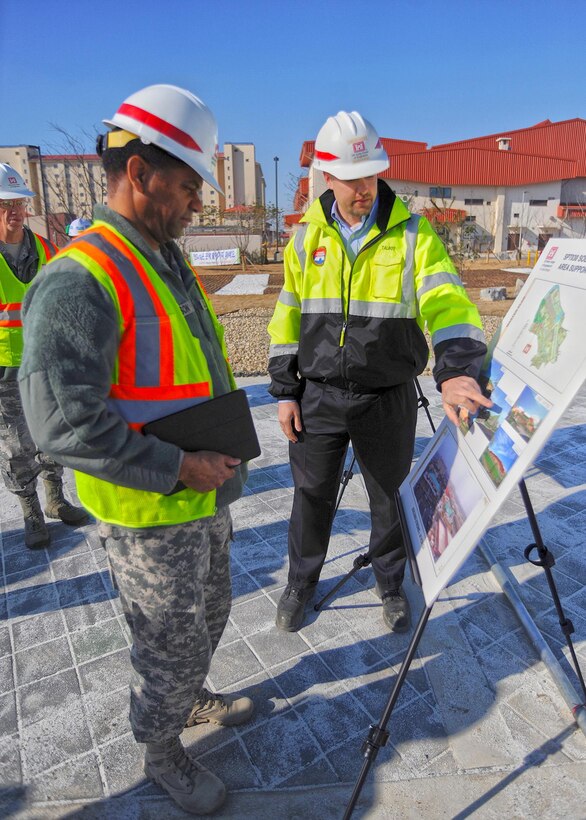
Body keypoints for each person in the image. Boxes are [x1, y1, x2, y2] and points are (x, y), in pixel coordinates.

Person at [20, 84, 254, 816]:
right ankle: (161, 751)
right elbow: (61, 426)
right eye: (187, 186)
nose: (196, 203)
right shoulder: (77, 278)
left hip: (199, 492)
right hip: (150, 508)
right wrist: (179, 465)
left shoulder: (161, 254)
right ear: (140, 174)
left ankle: (184, 699)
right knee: (168, 644)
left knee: (209, 616)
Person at [268, 111, 491, 634]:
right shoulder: (305, 238)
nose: (363, 188)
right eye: (351, 178)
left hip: (386, 397)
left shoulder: (414, 236)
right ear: (327, 176)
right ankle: (301, 582)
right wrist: (284, 390)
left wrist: (457, 369)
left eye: (370, 175)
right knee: (311, 494)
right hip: (319, 396)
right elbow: (288, 314)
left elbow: (448, 302)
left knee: (389, 495)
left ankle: (391, 584)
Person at [0, 163, 88, 548]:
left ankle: (55, 499)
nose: (15, 212)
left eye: (19, 203)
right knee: (16, 444)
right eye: (5, 204)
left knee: (52, 433)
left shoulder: (48, 249)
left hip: (47, 362)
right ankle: (30, 512)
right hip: (5, 367)